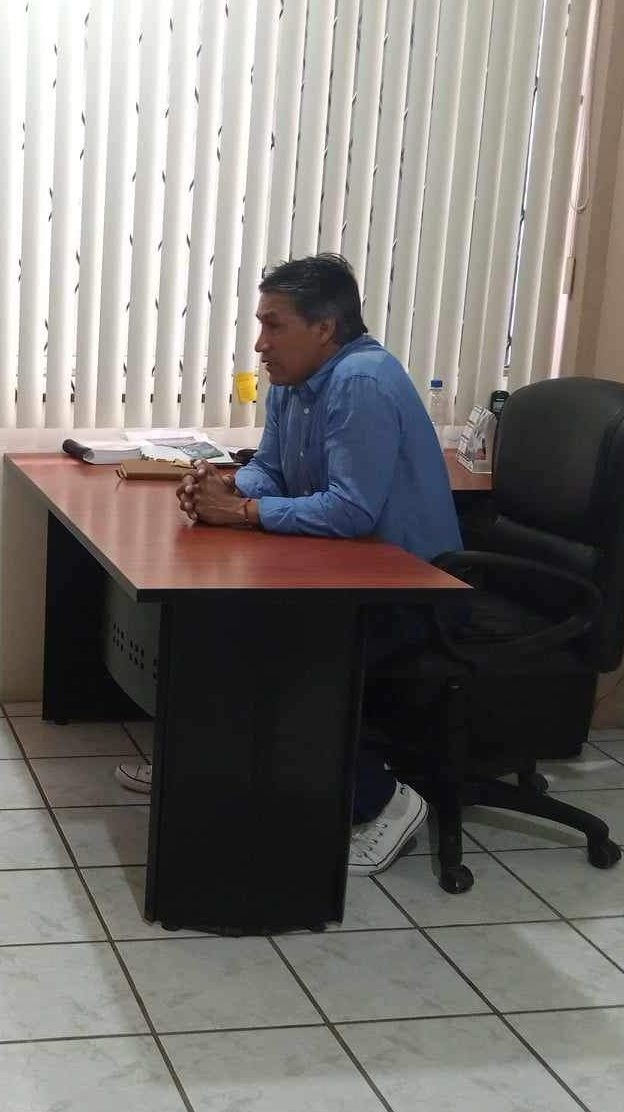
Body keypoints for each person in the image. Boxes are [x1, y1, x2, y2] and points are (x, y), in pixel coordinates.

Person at [167, 253, 463, 874]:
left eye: (273, 325)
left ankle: (387, 800)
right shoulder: (292, 383)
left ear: (325, 327)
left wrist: (240, 512)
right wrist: (223, 487)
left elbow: (351, 510)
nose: (260, 343)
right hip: (342, 572)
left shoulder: (361, 381)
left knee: (277, 649)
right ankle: (199, 764)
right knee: (210, 616)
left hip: (407, 590)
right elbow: (271, 470)